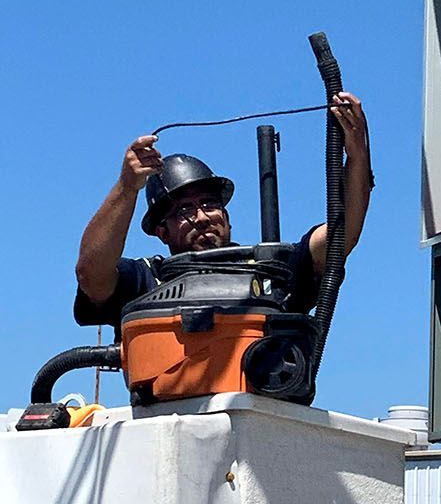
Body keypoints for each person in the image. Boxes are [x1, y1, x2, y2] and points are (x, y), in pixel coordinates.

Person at [74, 93, 371, 333]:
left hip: (260, 407)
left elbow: (339, 240)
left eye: (210, 204)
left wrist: (357, 155)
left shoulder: (269, 268)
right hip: (165, 408)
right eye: (184, 210)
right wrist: (127, 187)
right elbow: (91, 273)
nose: (202, 217)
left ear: (227, 215)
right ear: (161, 231)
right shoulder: (146, 279)